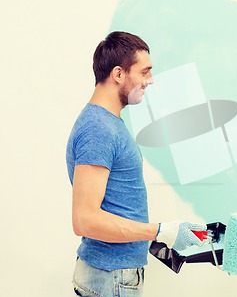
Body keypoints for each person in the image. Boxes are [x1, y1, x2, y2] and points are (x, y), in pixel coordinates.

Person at [66, 31, 206, 297]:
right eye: (144, 72)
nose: (150, 81)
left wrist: (158, 237)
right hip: (111, 278)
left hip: (113, 276)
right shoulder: (99, 129)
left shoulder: (107, 124)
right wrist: (161, 230)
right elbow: (84, 220)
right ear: (119, 74)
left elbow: (117, 208)